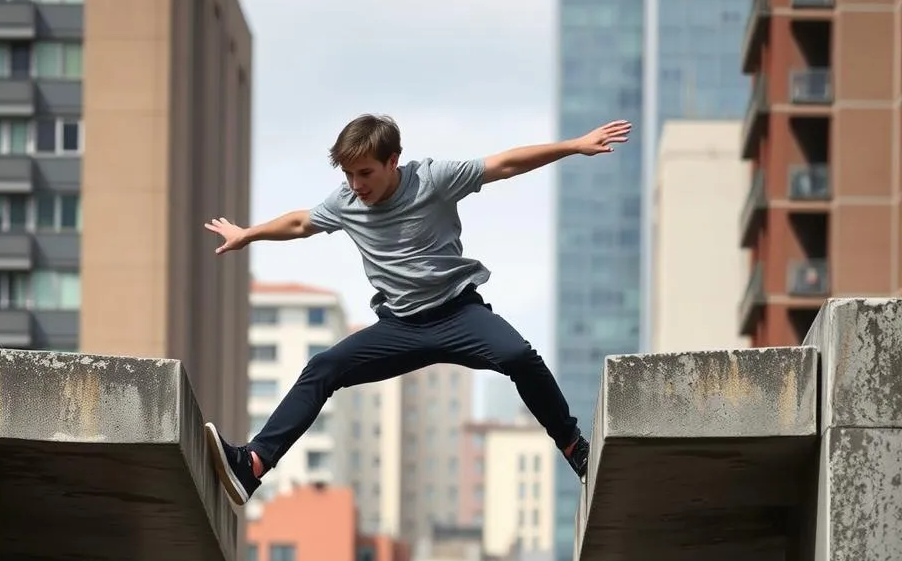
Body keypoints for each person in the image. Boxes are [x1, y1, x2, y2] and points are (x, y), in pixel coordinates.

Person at [203, 113, 632, 506]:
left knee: (519, 356)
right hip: (400, 327)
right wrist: (249, 234)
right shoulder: (346, 202)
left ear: (394, 161)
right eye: (349, 175)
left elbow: (505, 164)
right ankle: (253, 464)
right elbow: (300, 223)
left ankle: (575, 448)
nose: (357, 186)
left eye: (366, 173)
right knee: (323, 367)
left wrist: (575, 145)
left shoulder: (435, 179)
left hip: (459, 314)